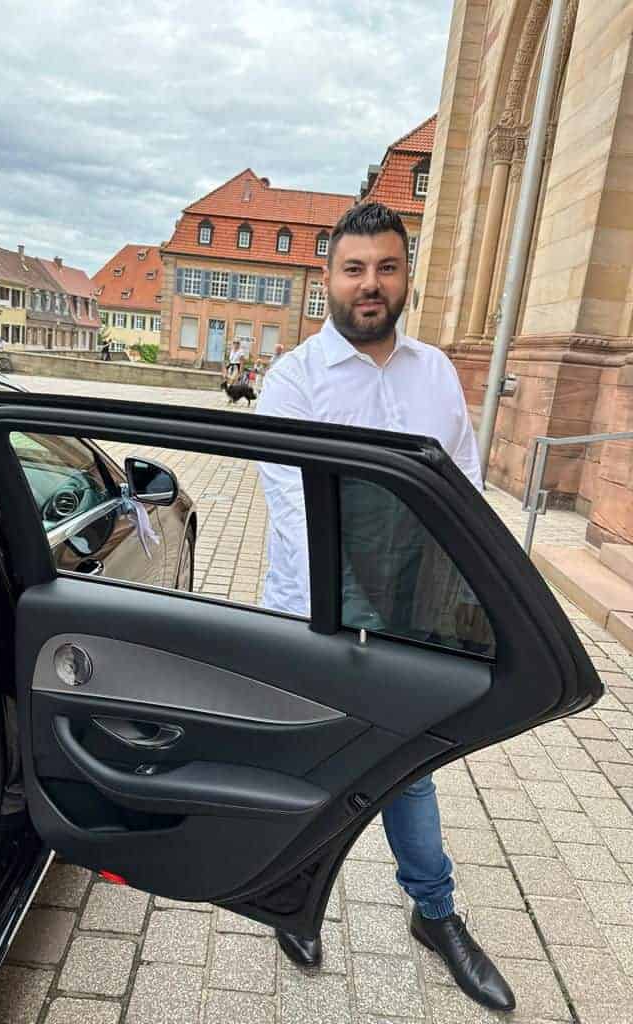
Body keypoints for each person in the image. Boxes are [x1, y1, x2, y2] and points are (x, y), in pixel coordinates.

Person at [256, 202, 515, 1014]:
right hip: (315, 620)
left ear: (406, 276)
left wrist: (474, 600)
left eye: (387, 268)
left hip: (414, 617)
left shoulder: (435, 372)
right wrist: (360, 622)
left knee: (411, 769)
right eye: (354, 269)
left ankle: (433, 912)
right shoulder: (294, 380)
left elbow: (465, 490)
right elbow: (298, 516)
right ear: (328, 278)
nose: (370, 284)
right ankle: (293, 898)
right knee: (311, 764)